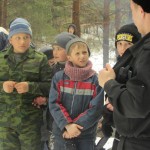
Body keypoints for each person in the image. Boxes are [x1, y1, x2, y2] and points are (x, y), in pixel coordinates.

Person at [98, 0, 150, 150]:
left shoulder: (147, 52)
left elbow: (136, 104)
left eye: (132, 11)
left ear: (140, 10)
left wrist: (109, 83)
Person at [0, 18, 52, 150]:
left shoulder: (40, 59)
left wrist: (30, 86)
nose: (22, 41)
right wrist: (3, 86)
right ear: (10, 39)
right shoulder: (1, 59)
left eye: (26, 37)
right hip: (5, 124)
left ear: (30, 38)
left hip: (30, 123)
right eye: (18, 37)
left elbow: (50, 86)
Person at [49, 37, 104, 150]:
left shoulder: (95, 80)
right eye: (77, 53)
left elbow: (96, 108)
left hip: (85, 135)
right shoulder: (59, 78)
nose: (82, 56)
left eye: (84, 52)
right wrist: (67, 125)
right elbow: (54, 103)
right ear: (69, 57)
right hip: (62, 132)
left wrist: (76, 128)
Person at [100, 23, 141, 150]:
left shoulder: (141, 67)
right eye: (120, 44)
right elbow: (111, 98)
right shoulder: (119, 65)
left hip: (137, 136)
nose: (123, 48)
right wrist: (107, 115)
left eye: (128, 44)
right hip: (121, 132)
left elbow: (134, 102)